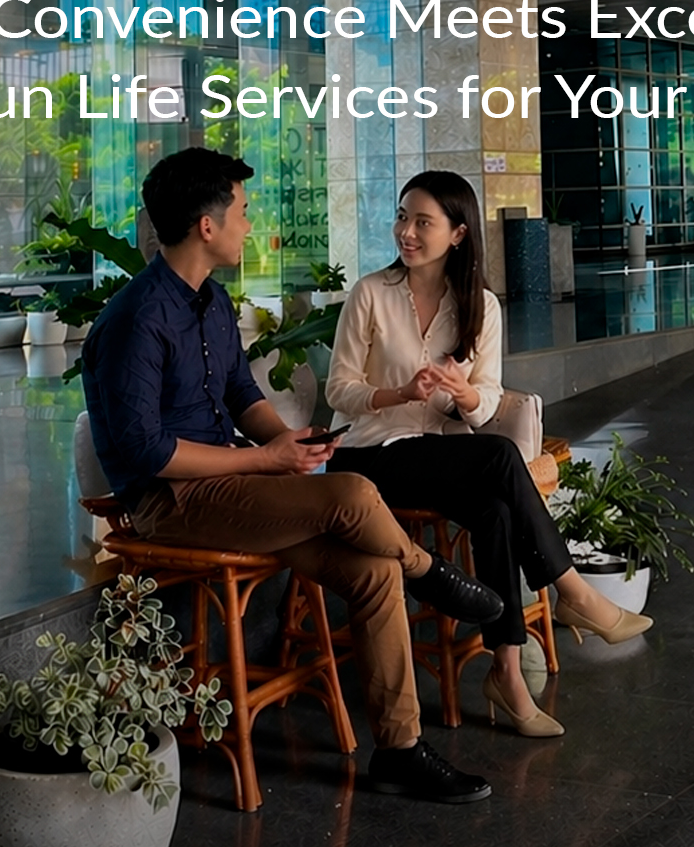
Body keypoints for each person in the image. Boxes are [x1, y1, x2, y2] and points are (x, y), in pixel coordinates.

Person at [80, 148, 504, 804]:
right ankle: (429, 572)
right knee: (355, 492)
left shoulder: (210, 302)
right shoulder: (136, 319)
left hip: (234, 491)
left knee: (373, 572)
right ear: (207, 226)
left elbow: (242, 395)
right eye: (243, 212)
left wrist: (286, 441)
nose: (250, 224)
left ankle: (399, 751)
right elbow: (151, 453)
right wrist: (265, 459)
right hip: (171, 503)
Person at [324, 171, 653, 738]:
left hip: (431, 456)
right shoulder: (370, 293)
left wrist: (463, 393)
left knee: (496, 512)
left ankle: (507, 672)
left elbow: (488, 402)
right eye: (402, 218)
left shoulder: (480, 306)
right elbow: (338, 391)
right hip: (367, 455)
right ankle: (573, 591)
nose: (406, 232)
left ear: (458, 233)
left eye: (422, 222)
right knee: (500, 458)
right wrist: (398, 394)